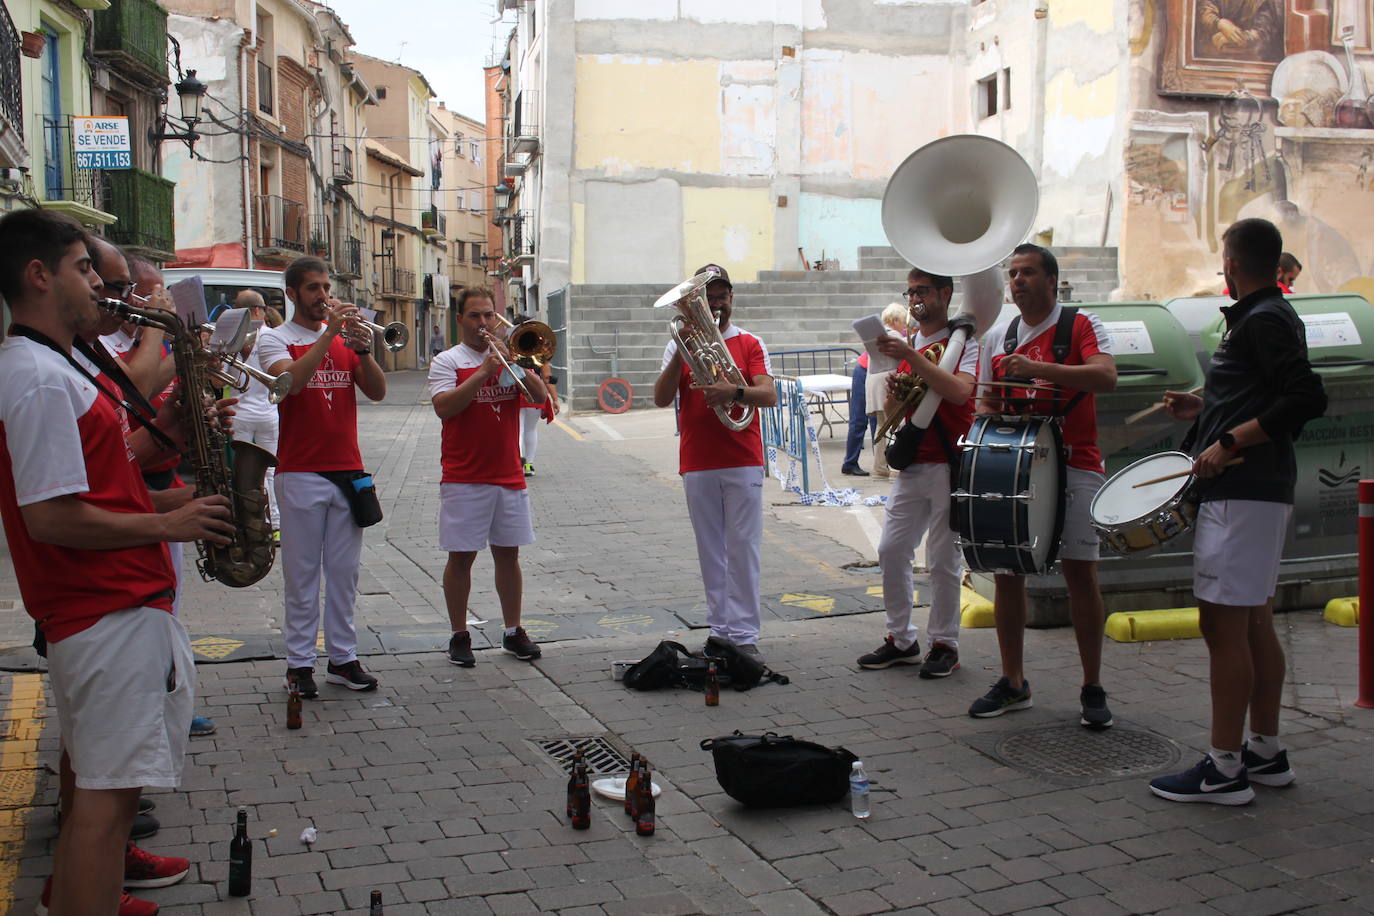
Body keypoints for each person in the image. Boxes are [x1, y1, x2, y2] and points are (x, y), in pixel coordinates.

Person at [0, 208, 235, 915]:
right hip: (104, 611)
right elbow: (50, 517)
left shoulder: (54, 365)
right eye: (82, 271)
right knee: (104, 810)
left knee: (98, 802)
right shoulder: (40, 376)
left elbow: (98, 478)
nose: (100, 288)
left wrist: (167, 436)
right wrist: (172, 517)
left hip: (111, 609)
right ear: (39, 276)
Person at [1149, 218, 1326, 805]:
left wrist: (1226, 443)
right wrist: (1205, 408)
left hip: (1243, 491)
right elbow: (1264, 393)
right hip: (1256, 491)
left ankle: (1224, 768)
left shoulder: (1265, 317)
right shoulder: (1261, 317)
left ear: (1231, 263)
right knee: (1253, 623)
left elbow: (1304, 397)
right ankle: (1265, 753)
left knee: (1222, 626)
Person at [969, 244, 1118, 729]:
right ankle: (1013, 681)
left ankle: (1092, 684)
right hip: (1018, 469)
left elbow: (1105, 377)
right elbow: (986, 404)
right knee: (1008, 573)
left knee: (1081, 573)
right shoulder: (997, 336)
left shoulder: (1081, 324)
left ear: (1052, 280)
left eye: (1028, 272)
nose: (1017, 281)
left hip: (1077, 464)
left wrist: (1038, 370)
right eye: (1012, 274)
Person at [257, 256, 387, 698]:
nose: (323, 296)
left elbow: (377, 391)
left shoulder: (347, 339)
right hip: (299, 471)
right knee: (302, 574)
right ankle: (298, 664)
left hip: (347, 470)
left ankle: (343, 658)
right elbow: (289, 383)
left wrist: (363, 348)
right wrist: (329, 333)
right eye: (313, 288)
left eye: (326, 287)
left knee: (345, 574)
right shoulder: (273, 338)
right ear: (291, 293)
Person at [653, 264, 777, 658]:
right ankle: (720, 631)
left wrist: (733, 392)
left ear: (731, 299)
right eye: (708, 298)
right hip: (697, 459)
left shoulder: (750, 343)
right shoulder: (679, 344)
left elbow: (768, 395)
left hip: (742, 456)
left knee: (744, 548)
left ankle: (745, 637)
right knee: (711, 551)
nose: (716, 304)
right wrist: (681, 351)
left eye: (721, 296)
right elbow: (660, 398)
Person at [859, 270, 979, 676]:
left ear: (945, 293)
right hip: (914, 461)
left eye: (922, 291)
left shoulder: (966, 344)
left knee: (944, 559)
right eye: (909, 292)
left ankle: (945, 643)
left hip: (950, 460)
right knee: (891, 549)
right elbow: (902, 405)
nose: (914, 299)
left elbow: (961, 391)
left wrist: (910, 359)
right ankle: (901, 638)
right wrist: (896, 385)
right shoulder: (910, 344)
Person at [429, 288, 549, 667]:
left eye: (489, 316)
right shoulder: (447, 361)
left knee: (508, 556)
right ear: (460, 319)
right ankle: (458, 633)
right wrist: (484, 370)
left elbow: (540, 397)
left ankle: (513, 631)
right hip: (464, 475)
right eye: (475, 316)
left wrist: (518, 363)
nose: (483, 324)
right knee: (461, 557)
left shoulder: (511, 359)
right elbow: (445, 408)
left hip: (508, 473)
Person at [231, 290, 283, 539]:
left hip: (239, 412)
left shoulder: (229, 337)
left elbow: (217, 380)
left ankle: (245, 525)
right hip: (268, 412)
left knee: (240, 471)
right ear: (258, 310)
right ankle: (273, 526)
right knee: (269, 472)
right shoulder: (274, 336)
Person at [867, 303, 913, 479]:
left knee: (881, 426)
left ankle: (879, 467)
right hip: (886, 382)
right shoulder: (892, 335)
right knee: (894, 424)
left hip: (874, 382)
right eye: (902, 321)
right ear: (895, 320)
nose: (904, 325)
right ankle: (894, 467)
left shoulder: (876, 336)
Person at [512, 313, 559, 476]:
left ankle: (517, 464)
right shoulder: (538, 350)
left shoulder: (509, 347)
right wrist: (555, 399)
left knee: (518, 430)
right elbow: (548, 378)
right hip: (535, 394)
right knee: (530, 430)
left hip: (516, 394)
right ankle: (529, 465)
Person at [841, 348, 876, 476]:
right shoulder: (891, 332)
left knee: (876, 421)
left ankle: (880, 464)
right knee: (860, 419)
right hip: (865, 370)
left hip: (876, 372)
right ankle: (850, 463)